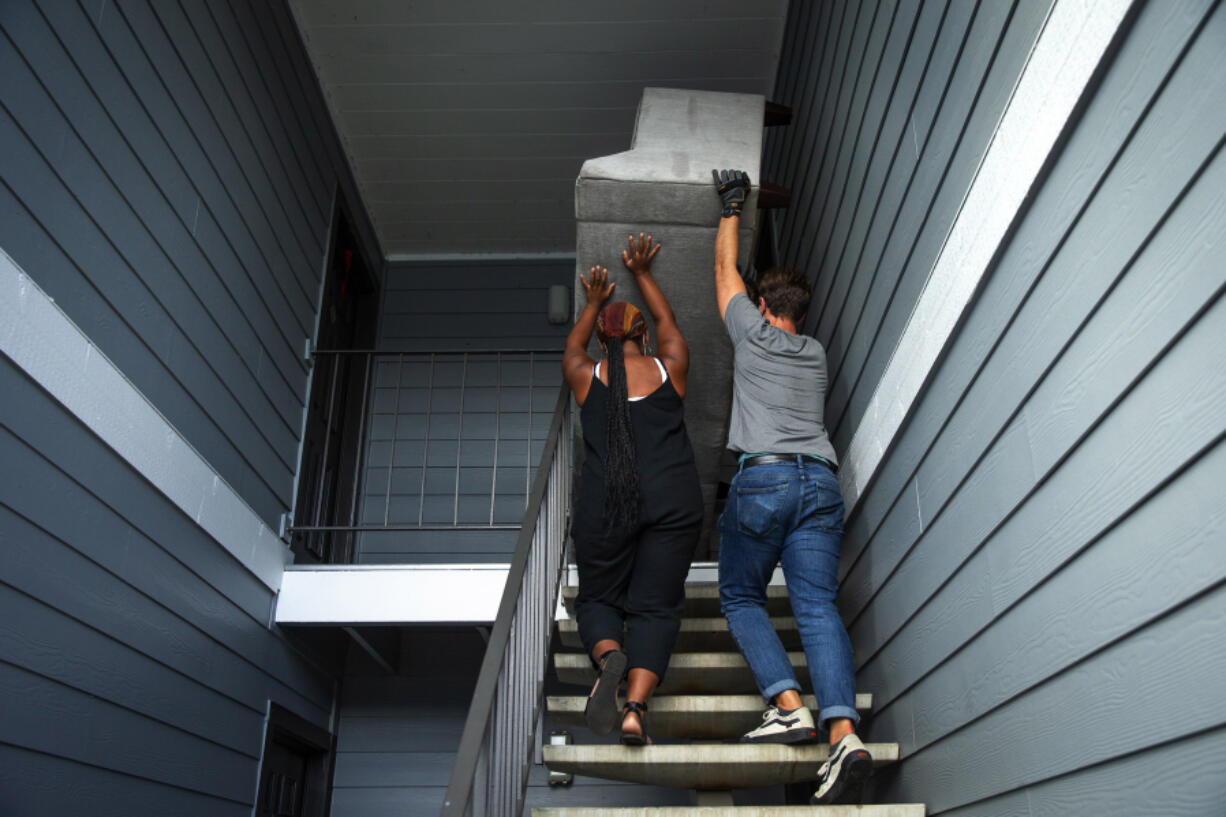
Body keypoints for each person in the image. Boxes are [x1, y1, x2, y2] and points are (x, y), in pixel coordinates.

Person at [710, 169, 873, 805]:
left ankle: (787, 704)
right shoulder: (816, 352)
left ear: (763, 307)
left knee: (740, 595)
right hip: (821, 484)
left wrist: (731, 206)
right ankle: (844, 734)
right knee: (817, 605)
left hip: (767, 478)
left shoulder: (751, 336)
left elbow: (724, 273)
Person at [562, 233, 703, 746]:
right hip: (675, 501)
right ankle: (635, 711)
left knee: (598, 596)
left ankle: (607, 658)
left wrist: (594, 302)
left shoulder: (586, 375)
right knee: (657, 605)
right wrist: (643, 274)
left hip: (606, 505)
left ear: (602, 343)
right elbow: (670, 324)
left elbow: (571, 348)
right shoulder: (671, 367)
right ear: (642, 339)